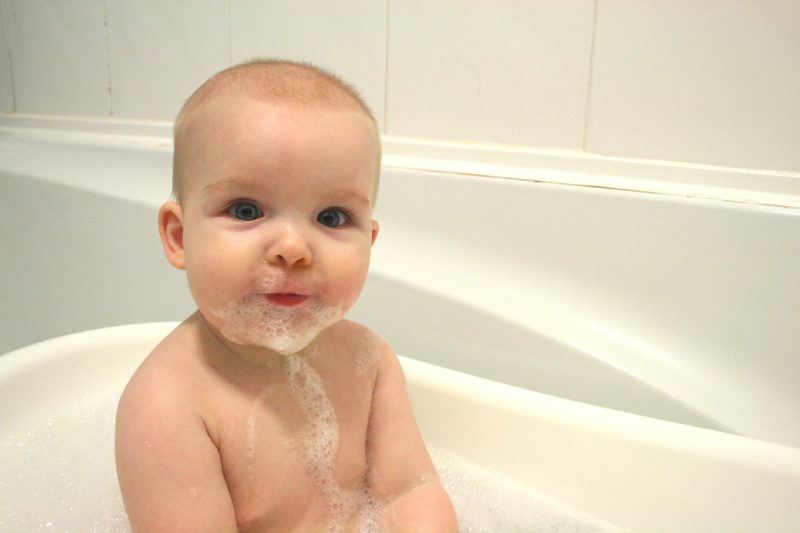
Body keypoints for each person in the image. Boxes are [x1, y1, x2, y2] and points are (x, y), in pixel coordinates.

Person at [115, 59, 458, 532]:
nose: (294, 249)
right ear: (178, 237)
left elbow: (408, 490)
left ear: (370, 243)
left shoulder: (369, 360)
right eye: (246, 209)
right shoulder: (167, 405)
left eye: (333, 217)